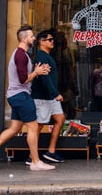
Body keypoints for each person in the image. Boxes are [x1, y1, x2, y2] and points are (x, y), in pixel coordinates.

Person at [0, 25, 55, 172]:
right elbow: (23, 80)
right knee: (33, 127)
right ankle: (35, 161)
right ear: (25, 38)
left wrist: (38, 71)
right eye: (32, 36)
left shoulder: (21, 54)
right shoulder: (20, 55)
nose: (34, 38)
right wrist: (37, 72)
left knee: (14, 128)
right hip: (21, 96)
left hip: (15, 96)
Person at [31, 30, 65, 164]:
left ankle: (51, 151)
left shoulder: (46, 56)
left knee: (60, 119)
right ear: (41, 41)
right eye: (49, 40)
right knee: (39, 125)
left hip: (50, 96)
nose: (52, 42)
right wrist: (55, 93)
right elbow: (44, 78)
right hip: (43, 96)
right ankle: (31, 156)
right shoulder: (41, 57)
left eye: (52, 40)